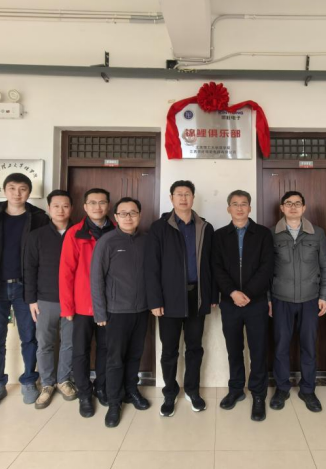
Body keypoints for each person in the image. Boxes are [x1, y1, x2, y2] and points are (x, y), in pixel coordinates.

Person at [0, 172, 49, 414]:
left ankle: (29, 381)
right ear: (4, 191)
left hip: (27, 288)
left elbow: (43, 250)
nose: (17, 193)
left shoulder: (39, 218)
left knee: (30, 337)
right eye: (12, 188)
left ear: (29, 192)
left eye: (22, 188)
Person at [145, 180, 216, 417]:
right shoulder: (159, 227)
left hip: (197, 296)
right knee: (169, 349)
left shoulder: (205, 227)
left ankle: (192, 390)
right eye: (179, 194)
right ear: (171, 198)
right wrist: (155, 301)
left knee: (195, 347)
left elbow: (211, 264)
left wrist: (211, 294)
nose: (183, 198)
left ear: (193, 198)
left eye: (187, 194)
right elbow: (151, 267)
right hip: (168, 298)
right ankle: (169, 392)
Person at [212, 190, 274, 422]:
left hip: (256, 303)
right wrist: (232, 292)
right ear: (228, 208)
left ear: (250, 208)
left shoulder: (263, 234)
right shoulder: (219, 235)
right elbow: (216, 267)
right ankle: (236, 389)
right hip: (230, 303)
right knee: (234, 349)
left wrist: (247, 293)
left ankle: (258, 394)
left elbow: (267, 267)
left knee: (258, 350)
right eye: (235, 204)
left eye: (244, 204)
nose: (239, 208)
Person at [269, 190, 326, 413]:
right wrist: (268, 299)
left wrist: (324, 296)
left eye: (297, 203)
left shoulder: (317, 233)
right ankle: (282, 388)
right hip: (281, 299)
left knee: (309, 347)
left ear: (304, 207)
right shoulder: (272, 234)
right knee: (281, 346)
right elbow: (266, 271)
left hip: (310, 299)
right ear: (282, 208)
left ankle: (308, 390)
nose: (293, 207)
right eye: (289, 203)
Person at [91, 197, 151, 428]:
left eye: (133, 213)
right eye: (123, 213)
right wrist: (100, 313)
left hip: (141, 310)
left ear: (139, 215)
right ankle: (114, 403)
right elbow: (96, 279)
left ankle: (131, 391)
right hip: (115, 312)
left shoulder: (146, 240)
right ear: (115, 217)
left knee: (135, 354)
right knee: (115, 359)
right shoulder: (107, 242)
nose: (128, 217)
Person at [59, 188, 115, 418]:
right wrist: (67, 307)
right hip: (82, 305)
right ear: (84, 207)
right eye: (92, 203)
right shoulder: (75, 233)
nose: (97, 207)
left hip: (110, 304)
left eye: (102, 202)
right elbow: (66, 273)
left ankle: (101, 387)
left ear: (108, 205)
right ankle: (84, 393)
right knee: (80, 351)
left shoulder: (117, 230)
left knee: (105, 349)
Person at [24, 189, 78, 409]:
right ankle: (47, 384)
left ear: (72, 208)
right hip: (45, 300)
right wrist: (31, 300)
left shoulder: (78, 233)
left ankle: (64, 380)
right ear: (48, 208)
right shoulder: (36, 236)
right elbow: (29, 269)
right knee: (44, 344)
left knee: (69, 343)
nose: (60, 210)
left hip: (73, 300)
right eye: (56, 206)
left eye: (65, 206)